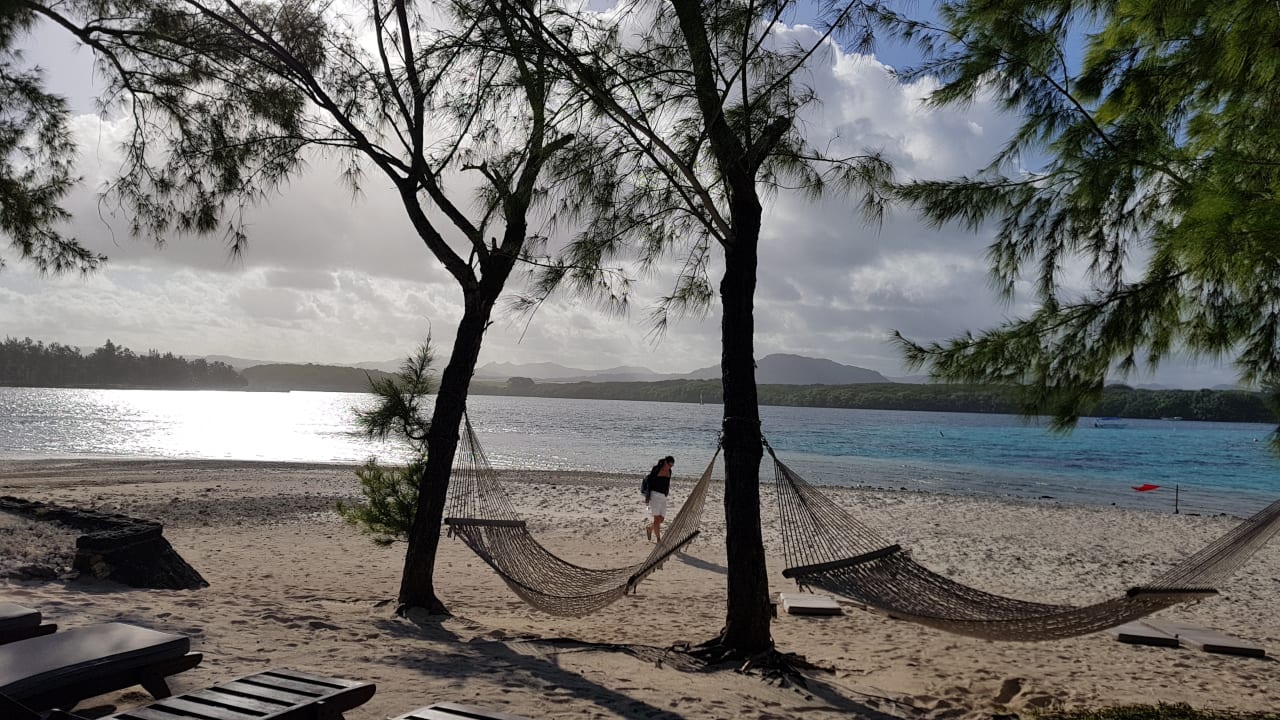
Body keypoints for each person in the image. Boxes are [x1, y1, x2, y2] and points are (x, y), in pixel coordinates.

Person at [644, 455, 674, 542]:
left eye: (672, 465)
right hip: (654, 495)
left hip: (663, 496)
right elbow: (649, 482)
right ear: (665, 462)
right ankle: (658, 540)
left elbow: (667, 483)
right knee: (656, 519)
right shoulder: (656, 469)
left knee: (661, 519)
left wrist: (667, 492)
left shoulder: (670, 471)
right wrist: (648, 496)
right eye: (669, 465)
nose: (670, 467)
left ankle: (650, 528)